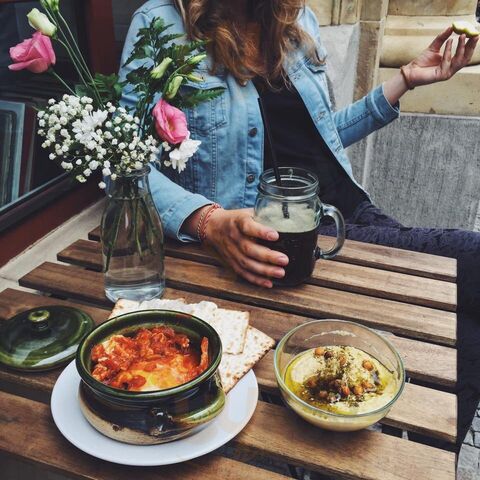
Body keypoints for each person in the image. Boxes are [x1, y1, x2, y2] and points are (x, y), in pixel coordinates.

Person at [120, 0, 479, 445]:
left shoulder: (295, 17)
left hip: (346, 212)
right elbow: (124, 164)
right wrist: (206, 221)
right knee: (468, 265)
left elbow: (320, 137)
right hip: (284, 236)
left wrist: (405, 79)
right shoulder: (160, 25)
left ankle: (426, 454)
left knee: (460, 321)